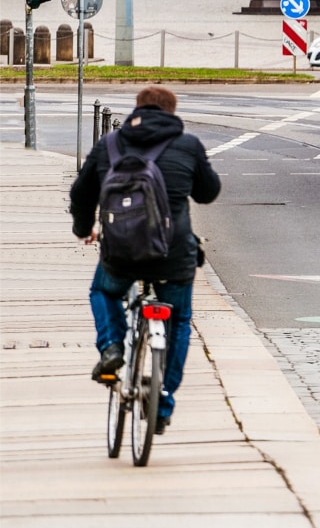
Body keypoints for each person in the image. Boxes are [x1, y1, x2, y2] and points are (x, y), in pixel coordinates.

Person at [69, 86, 221, 435]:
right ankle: (162, 403)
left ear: (137, 110)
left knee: (103, 292)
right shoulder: (188, 145)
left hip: (120, 253)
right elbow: (208, 193)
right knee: (179, 320)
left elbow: (81, 194)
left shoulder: (108, 146)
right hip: (173, 254)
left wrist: (84, 228)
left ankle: (111, 347)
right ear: (171, 112)